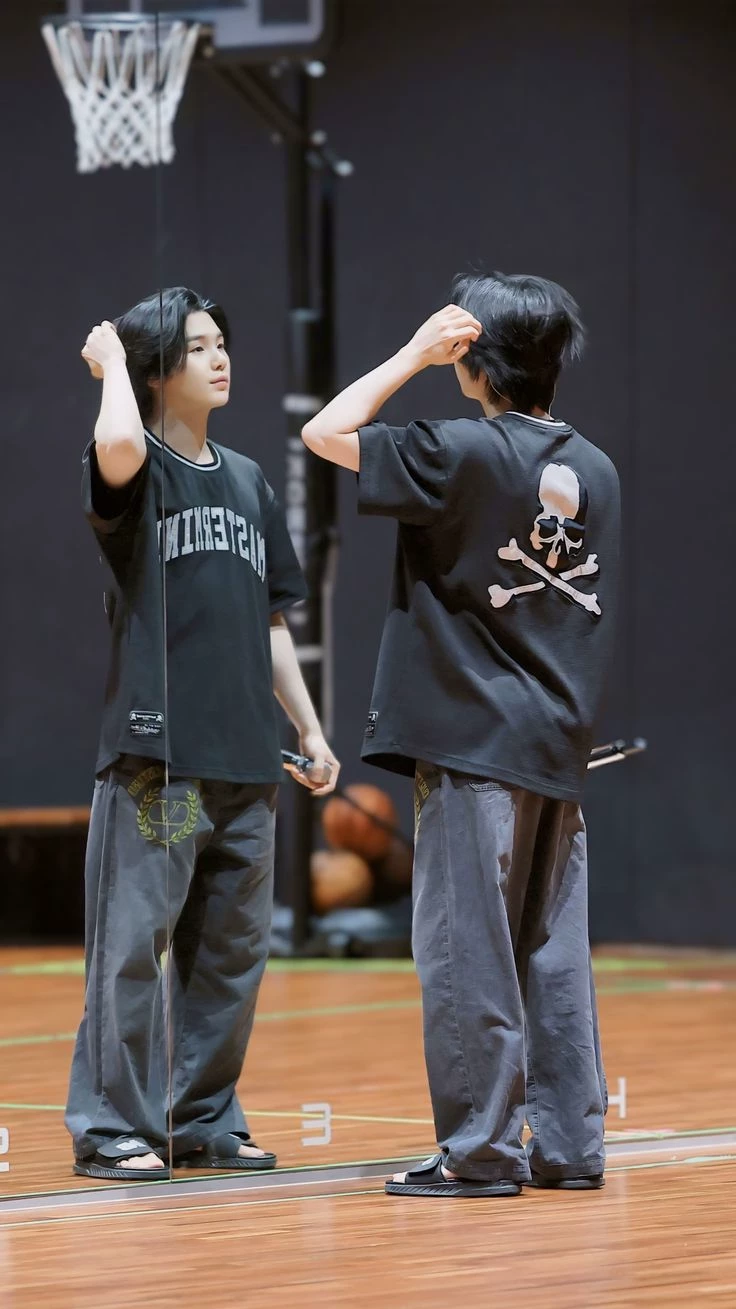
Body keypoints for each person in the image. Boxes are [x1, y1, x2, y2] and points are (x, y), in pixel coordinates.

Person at [301, 271, 619, 1198]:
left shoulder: (461, 450)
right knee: (553, 955)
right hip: (557, 746)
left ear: (477, 358)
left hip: (472, 742)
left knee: (465, 950)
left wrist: (411, 354)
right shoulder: (597, 467)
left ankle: (480, 1152)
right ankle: (570, 1145)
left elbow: (326, 431)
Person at [66, 286, 339, 1181]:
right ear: (156, 369)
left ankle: (203, 1117)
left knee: (230, 954)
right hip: (164, 767)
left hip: (246, 766)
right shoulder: (134, 464)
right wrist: (113, 367)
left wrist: (309, 727)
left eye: (223, 341)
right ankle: (112, 1124)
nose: (220, 357)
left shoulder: (250, 480)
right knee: (137, 946)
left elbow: (272, 621)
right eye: (197, 346)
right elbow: (117, 443)